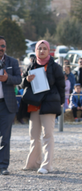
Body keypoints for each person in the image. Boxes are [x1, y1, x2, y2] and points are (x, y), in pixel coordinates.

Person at [18, 40, 65, 174]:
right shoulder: (31, 65)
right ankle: (33, 163)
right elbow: (21, 85)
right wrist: (27, 80)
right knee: (33, 135)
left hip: (49, 104)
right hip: (34, 104)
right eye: (40, 48)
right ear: (36, 50)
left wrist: (61, 102)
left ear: (48, 50)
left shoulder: (55, 67)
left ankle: (46, 165)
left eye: (45, 48)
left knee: (48, 135)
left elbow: (61, 86)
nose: (42, 51)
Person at [0, 36, 22, 175]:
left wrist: (8, 79)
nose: (0, 48)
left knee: (5, 137)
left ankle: (3, 166)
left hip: (7, 105)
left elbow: (19, 79)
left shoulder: (12, 62)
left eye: (2, 45)